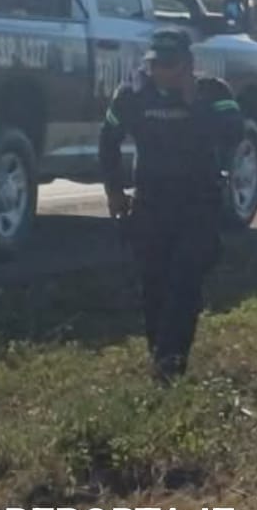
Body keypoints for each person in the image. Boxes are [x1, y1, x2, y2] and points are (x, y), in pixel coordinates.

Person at [99, 28, 244, 383]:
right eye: (156, 64)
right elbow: (108, 141)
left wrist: (194, 103)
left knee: (185, 282)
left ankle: (170, 366)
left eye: (170, 64)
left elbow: (235, 131)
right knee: (154, 286)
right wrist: (114, 191)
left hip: (199, 204)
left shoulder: (213, 92)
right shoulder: (133, 95)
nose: (161, 71)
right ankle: (159, 358)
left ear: (188, 64)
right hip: (151, 203)